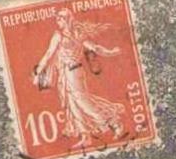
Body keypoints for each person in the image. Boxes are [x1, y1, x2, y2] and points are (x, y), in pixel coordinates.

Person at [33, 8, 126, 149]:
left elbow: (94, 48)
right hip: (65, 74)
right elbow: (49, 54)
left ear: (67, 19)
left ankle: (114, 123)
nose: (58, 21)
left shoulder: (77, 34)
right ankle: (85, 136)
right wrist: (38, 71)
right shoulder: (59, 35)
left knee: (83, 102)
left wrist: (111, 52)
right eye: (57, 19)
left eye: (60, 18)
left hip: (75, 72)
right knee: (72, 105)